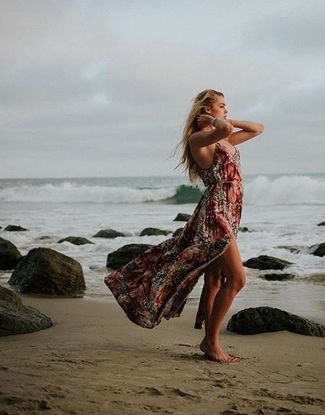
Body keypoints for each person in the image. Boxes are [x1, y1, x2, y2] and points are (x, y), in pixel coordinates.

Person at [104, 89, 264, 364]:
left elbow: (257, 128)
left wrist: (222, 117)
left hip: (230, 210)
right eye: (222, 106)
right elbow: (224, 127)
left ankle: (210, 340)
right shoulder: (200, 139)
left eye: (227, 106)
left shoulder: (223, 139)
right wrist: (212, 120)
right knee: (237, 279)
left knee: (216, 279)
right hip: (217, 213)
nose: (226, 110)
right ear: (206, 110)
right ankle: (210, 342)